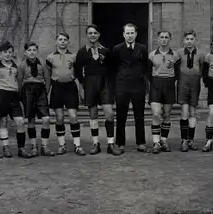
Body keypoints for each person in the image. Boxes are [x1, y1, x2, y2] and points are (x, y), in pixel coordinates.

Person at [75, 25, 121, 156]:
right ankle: (96, 144)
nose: (93, 35)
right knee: (93, 115)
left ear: (99, 34)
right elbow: (78, 70)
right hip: (90, 84)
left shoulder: (106, 50)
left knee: (109, 114)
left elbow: (113, 68)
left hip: (105, 83)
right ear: (87, 35)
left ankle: (111, 144)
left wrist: (111, 83)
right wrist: (83, 86)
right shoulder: (83, 51)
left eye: (95, 33)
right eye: (90, 33)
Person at [110, 23, 149, 154]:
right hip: (122, 86)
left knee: (140, 116)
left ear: (136, 34)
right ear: (123, 34)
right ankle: (120, 143)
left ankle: (141, 143)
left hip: (138, 86)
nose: (130, 35)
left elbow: (145, 67)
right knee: (121, 116)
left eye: (132, 33)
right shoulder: (117, 49)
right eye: (127, 33)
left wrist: (144, 82)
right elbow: (113, 68)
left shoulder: (142, 48)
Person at [0, 41, 32, 158]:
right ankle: (6, 148)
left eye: (10, 52)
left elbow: (19, 81)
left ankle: (21, 148)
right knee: (3, 122)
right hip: (1, 95)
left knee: (20, 121)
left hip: (13, 97)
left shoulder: (16, 66)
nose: (8, 54)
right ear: (1, 53)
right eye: (5, 52)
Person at [45, 32, 85, 155]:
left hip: (70, 87)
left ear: (68, 42)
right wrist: (46, 94)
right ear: (56, 42)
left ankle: (77, 146)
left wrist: (81, 91)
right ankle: (62, 145)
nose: (62, 41)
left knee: (73, 116)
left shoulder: (73, 56)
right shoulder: (50, 58)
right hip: (57, 88)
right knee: (59, 117)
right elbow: (48, 78)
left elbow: (78, 75)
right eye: (60, 39)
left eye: (65, 40)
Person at [18, 42, 55, 157]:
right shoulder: (22, 65)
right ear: (25, 52)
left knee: (46, 119)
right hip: (28, 90)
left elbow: (48, 79)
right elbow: (19, 81)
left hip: (40, 90)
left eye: (34, 50)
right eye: (29, 50)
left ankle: (44, 146)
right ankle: (34, 146)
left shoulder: (43, 64)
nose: (32, 52)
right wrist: (21, 96)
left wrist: (45, 92)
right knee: (30, 120)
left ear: (37, 51)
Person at [148, 30, 180, 154]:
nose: (164, 39)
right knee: (156, 113)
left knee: (166, 114)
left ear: (170, 39)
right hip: (156, 85)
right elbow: (147, 74)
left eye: (167, 37)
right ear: (158, 39)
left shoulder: (175, 55)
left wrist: (171, 82)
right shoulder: (151, 55)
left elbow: (177, 73)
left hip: (169, 85)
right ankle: (156, 142)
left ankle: (163, 140)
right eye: (162, 37)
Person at [176, 30, 205, 152]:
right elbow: (175, 68)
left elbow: (202, 69)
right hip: (183, 84)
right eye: (187, 39)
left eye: (191, 39)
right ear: (183, 41)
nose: (189, 41)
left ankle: (191, 140)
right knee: (184, 111)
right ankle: (184, 140)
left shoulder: (200, 54)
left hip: (195, 84)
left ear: (195, 40)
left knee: (193, 112)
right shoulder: (179, 53)